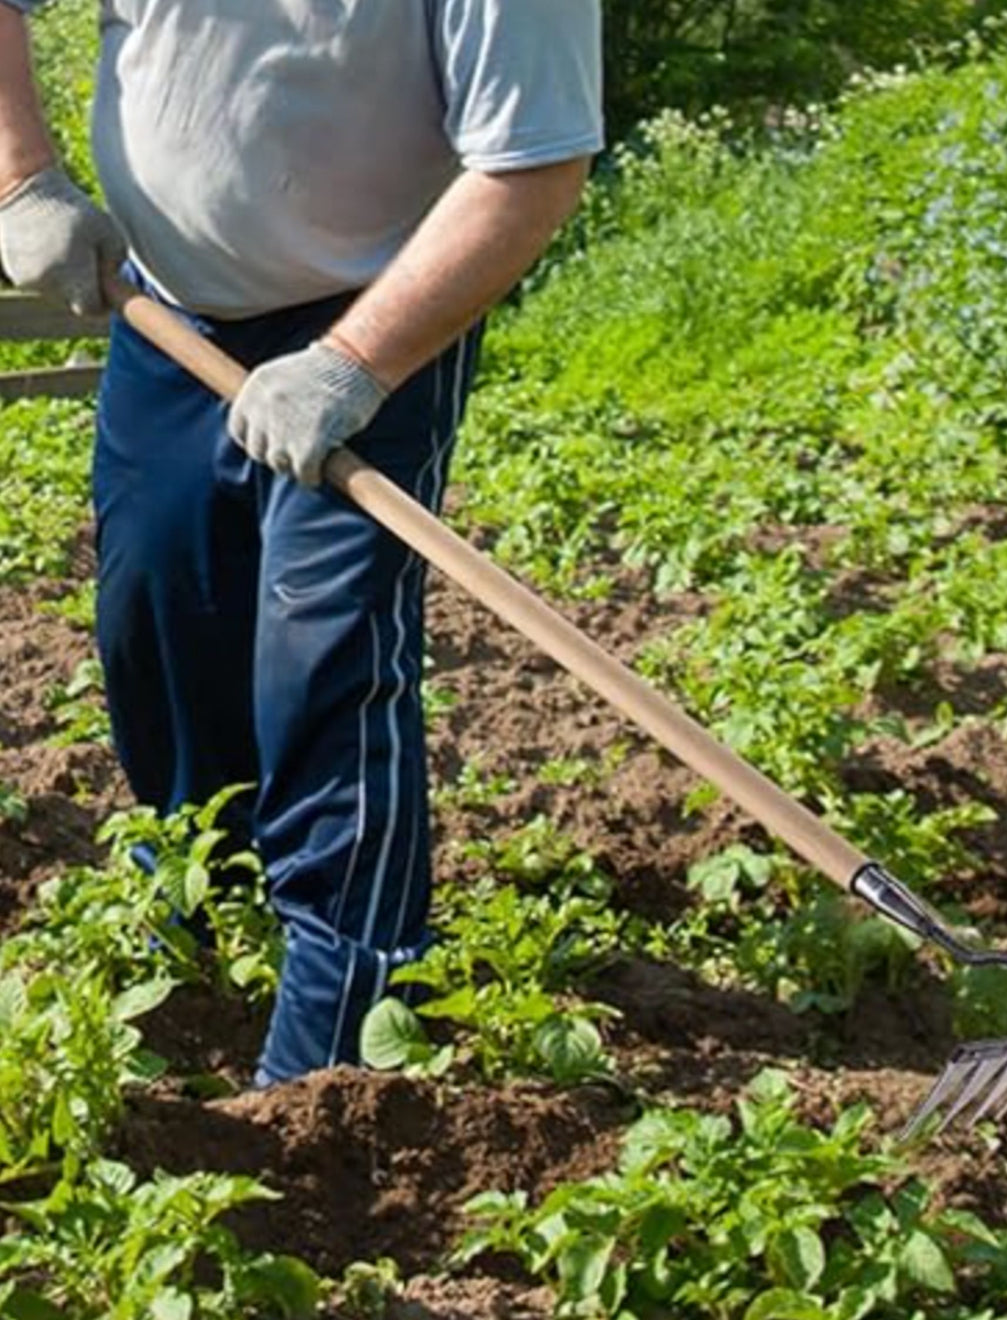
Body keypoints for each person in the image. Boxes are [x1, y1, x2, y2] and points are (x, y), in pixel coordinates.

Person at [0, 0, 602, 1085]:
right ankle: (206, 905)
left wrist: (355, 363)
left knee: (323, 661)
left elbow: (533, 166)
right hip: (167, 314)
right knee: (158, 627)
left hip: (374, 319)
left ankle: (339, 1034)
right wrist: (21, 178)